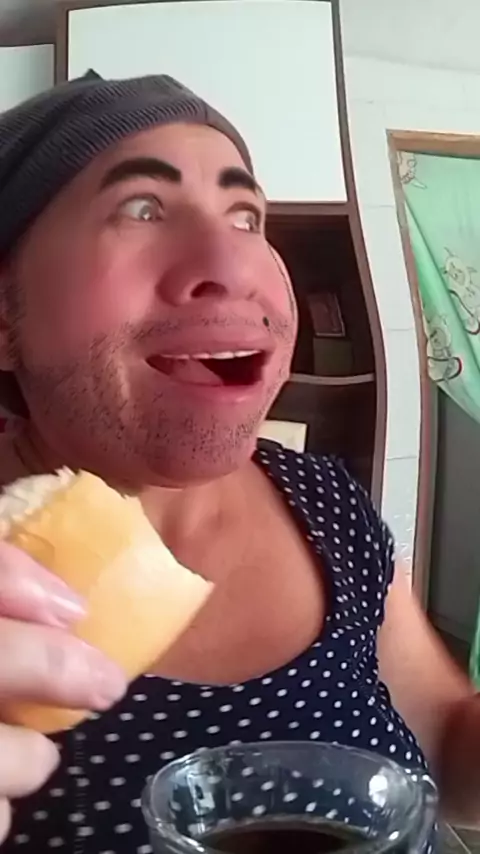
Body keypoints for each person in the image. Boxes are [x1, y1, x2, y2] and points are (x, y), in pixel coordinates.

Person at [0, 70, 475, 854]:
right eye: (141, 208)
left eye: (247, 215)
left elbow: (446, 735)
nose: (230, 263)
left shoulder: (323, 499)